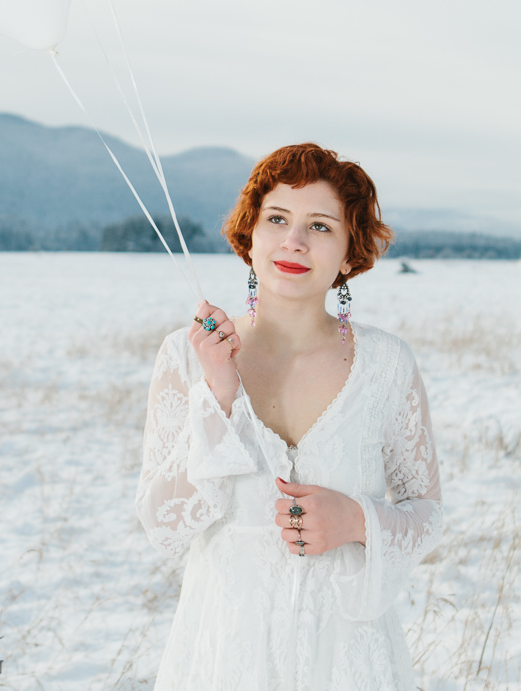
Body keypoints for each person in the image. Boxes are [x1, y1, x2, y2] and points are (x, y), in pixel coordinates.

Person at [135, 142, 442, 691]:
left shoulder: (386, 365)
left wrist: (356, 520)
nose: (294, 241)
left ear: (350, 254)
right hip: (226, 655)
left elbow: (427, 513)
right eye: (277, 218)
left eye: (321, 226)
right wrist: (220, 397)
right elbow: (163, 527)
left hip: (349, 657)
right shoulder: (186, 356)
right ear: (250, 236)